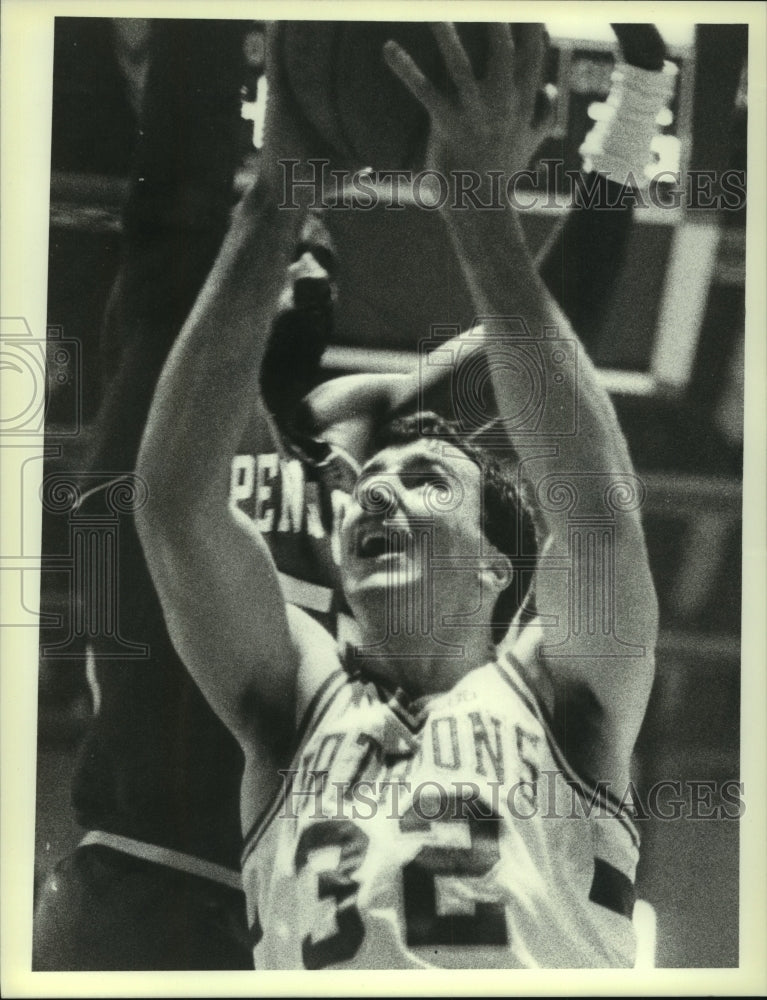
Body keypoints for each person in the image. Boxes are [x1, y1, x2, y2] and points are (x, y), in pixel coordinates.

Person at [135, 22, 658, 969]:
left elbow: (587, 496)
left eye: (420, 478)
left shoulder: (554, 683)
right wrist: (275, 192)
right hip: (150, 855)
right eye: (373, 486)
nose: (373, 497)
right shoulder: (216, 406)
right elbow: (170, 507)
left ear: (503, 567)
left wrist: (487, 206)